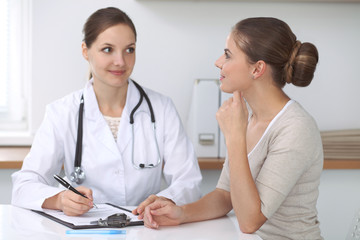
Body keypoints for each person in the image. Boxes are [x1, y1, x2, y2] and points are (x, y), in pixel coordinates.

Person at [141, 17, 323, 240]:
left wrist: (235, 138)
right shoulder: (248, 117)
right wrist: (181, 213)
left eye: (228, 55)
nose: (218, 62)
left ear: (257, 69)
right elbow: (226, 194)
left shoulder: (295, 128)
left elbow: (249, 221)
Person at [11, 7, 202, 216]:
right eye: (108, 49)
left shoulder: (161, 109)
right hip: (84, 230)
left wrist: (164, 200)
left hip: (145, 227)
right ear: (86, 51)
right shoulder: (62, 112)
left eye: (129, 49)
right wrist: (60, 199)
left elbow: (188, 181)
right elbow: (24, 186)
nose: (120, 61)